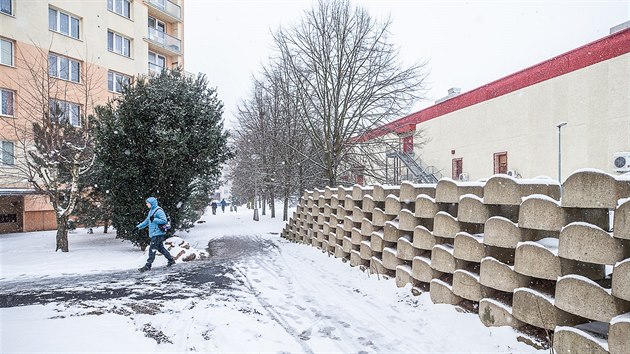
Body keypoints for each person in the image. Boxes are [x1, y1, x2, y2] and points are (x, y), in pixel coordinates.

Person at [137, 197, 175, 272]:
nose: (146, 204)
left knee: (152, 250)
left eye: (147, 203)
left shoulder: (159, 210)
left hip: (158, 233)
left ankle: (148, 266)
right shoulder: (151, 211)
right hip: (154, 233)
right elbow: (147, 221)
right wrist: (138, 227)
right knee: (161, 249)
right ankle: (171, 260)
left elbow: (164, 220)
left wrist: (154, 219)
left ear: (152, 203)